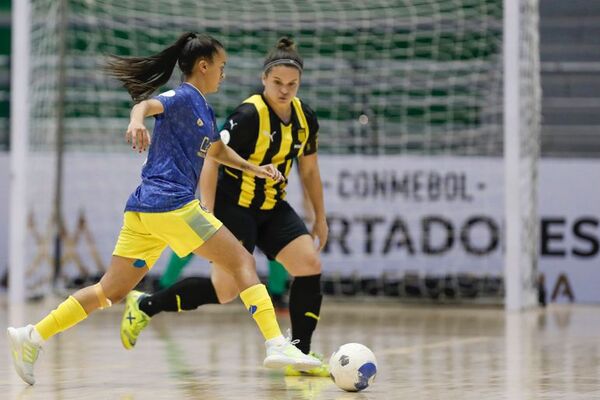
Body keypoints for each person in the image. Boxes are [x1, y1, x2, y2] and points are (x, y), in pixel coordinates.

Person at [7, 32, 320, 386]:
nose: (224, 74)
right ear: (203, 66)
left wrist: (253, 168)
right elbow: (149, 105)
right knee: (242, 262)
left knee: (109, 291)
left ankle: (31, 336)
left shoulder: (203, 106)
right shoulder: (185, 97)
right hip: (171, 204)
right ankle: (277, 343)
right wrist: (136, 120)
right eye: (222, 66)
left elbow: (215, 151)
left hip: (144, 211)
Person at [120, 37, 329, 377]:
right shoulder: (248, 115)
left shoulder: (306, 119)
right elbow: (212, 157)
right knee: (225, 290)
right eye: (277, 83)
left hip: (272, 206)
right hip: (235, 207)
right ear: (265, 80)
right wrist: (208, 206)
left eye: (292, 85)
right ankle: (145, 304)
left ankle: (299, 353)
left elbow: (309, 169)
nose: (284, 90)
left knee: (309, 263)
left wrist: (319, 217)